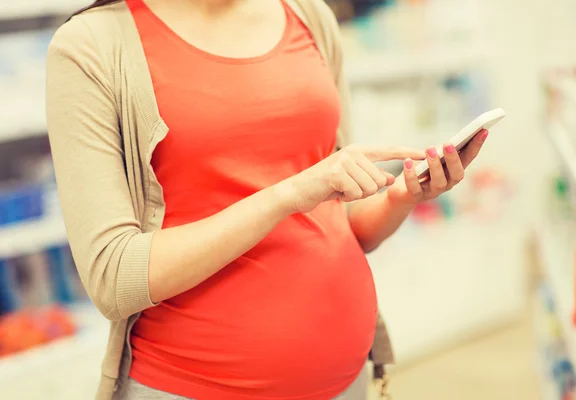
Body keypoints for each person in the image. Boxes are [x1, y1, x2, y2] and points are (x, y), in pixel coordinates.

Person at [45, 0, 488, 399]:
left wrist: (402, 197)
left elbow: (342, 219)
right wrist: (287, 195)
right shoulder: (91, 46)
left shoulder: (308, 15)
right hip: (193, 384)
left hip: (345, 380)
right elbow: (112, 276)